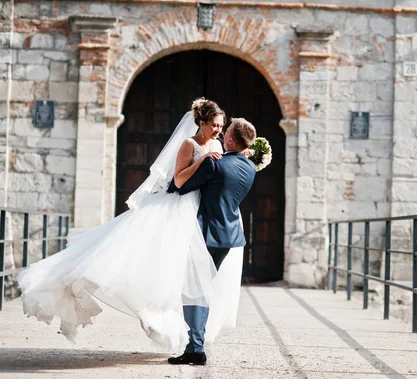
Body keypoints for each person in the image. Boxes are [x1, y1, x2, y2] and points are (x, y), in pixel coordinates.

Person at [17, 98, 244, 352]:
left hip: (200, 210)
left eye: (221, 126)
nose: (218, 131)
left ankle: (183, 329)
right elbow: (179, 181)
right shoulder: (188, 145)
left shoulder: (215, 143)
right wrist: (201, 162)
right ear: (201, 123)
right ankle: (158, 316)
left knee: (185, 272)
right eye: (214, 125)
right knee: (163, 265)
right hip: (180, 207)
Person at [166, 117, 257, 366]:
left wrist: (202, 161)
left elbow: (179, 186)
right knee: (201, 287)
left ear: (229, 139)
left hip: (206, 234)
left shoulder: (215, 165)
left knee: (194, 289)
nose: (221, 133)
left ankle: (196, 348)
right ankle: (195, 343)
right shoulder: (250, 168)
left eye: (225, 130)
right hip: (229, 236)